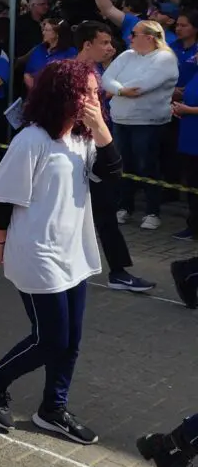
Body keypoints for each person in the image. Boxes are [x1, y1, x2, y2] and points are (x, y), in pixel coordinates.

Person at [0, 60, 117, 446]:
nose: (91, 98)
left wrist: (101, 129)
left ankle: (53, 408)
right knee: (50, 338)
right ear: (61, 94)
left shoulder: (83, 140)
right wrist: (0, 245)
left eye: (93, 91)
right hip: (38, 252)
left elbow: (111, 181)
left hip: (74, 252)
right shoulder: (32, 140)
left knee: (71, 339)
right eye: (83, 91)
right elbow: (1, 199)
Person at [69, 23, 155, 293]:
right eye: (104, 42)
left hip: (94, 150)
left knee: (105, 211)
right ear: (87, 44)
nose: (110, 48)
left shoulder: (94, 71)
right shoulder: (69, 74)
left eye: (110, 43)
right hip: (73, 153)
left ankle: (118, 272)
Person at [101, 19, 177, 230]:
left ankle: (153, 211)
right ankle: (124, 206)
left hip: (148, 122)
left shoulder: (165, 58)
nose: (129, 37)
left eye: (134, 34)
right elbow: (106, 78)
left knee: (147, 165)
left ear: (149, 38)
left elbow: (143, 86)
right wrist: (121, 90)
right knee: (123, 165)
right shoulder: (127, 55)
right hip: (120, 120)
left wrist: (118, 87)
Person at [23, 18, 76, 92]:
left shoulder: (70, 53)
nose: (43, 33)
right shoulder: (39, 49)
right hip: (34, 96)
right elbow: (27, 73)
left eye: (47, 30)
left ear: (57, 34)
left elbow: (71, 79)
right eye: (43, 30)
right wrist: (35, 91)